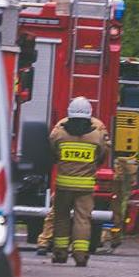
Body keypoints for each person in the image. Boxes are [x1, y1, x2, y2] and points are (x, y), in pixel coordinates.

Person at [48, 96, 109, 266]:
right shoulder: (96, 136)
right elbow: (102, 155)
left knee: (61, 218)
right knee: (83, 219)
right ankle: (80, 255)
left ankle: (60, 253)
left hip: (63, 185)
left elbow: (52, 153)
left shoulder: (58, 134)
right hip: (85, 186)